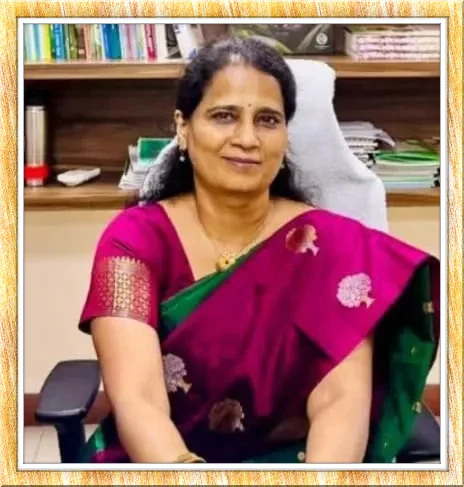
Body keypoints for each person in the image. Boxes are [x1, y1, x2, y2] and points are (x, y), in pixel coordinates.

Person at [77, 38, 440, 464]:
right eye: (224, 116)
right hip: (158, 457)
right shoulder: (133, 241)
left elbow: (340, 401)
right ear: (183, 127)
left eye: (268, 120)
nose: (247, 139)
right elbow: (138, 400)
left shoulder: (330, 246)